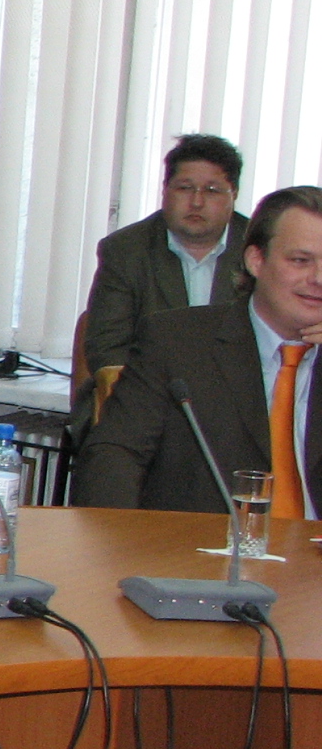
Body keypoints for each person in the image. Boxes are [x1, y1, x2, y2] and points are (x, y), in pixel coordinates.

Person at [75, 185, 322, 516]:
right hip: (204, 543)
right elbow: (115, 455)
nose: (319, 278)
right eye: (300, 261)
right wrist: (125, 539)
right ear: (256, 260)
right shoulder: (177, 342)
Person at [72, 134, 250, 433]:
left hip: (234, 408)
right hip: (141, 400)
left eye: (212, 190)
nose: (197, 201)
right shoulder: (125, 250)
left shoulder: (260, 251)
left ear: (234, 194)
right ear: (165, 190)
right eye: (185, 188)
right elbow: (108, 347)